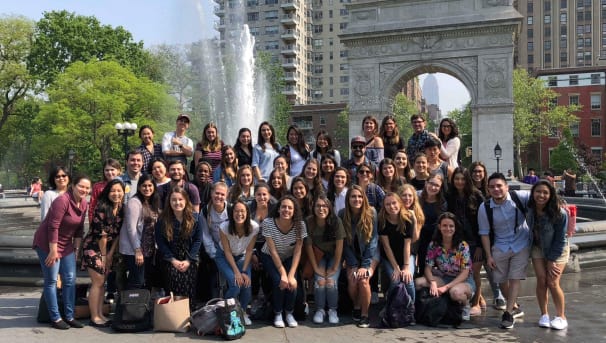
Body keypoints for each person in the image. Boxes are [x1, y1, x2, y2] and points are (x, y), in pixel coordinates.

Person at [32, 175, 91, 330]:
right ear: (73, 186)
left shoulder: (84, 203)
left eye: (87, 187)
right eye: (81, 186)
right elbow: (53, 226)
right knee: (51, 280)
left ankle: (70, 316)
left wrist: (76, 250)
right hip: (47, 243)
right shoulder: (62, 200)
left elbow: (79, 229)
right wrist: (53, 251)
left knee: (70, 279)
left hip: (66, 245)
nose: (84, 190)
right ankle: (55, 317)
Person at [478, 172, 531, 329]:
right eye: (492, 187)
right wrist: (488, 256)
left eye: (499, 186)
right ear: (488, 190)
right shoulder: (485, 207)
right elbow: (484, 233)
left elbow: (540, 194)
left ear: (506, 187)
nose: (496, 189)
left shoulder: (519, 197)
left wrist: (558, 201)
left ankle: (507, 314)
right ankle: (514, 306)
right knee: (500, 280)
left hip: (521, 243)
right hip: (500, 245)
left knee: (515, 278)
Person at [414, 212, 475, 320]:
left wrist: (446, 287)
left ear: (455, 228)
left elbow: (465, 272)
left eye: (451, 226)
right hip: (444, 277)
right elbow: (428, 267)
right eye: (445, 225)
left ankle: (465, 305)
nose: (448, 229)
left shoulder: (463, 246)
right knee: (418, 283)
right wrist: (432, 282)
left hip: (462, 280)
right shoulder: (434, 245)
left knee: (455, 293)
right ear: (439, 227)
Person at [81, 179, 125, 327]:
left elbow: (117, 235)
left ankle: (100, 314)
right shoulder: (102, 208)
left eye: (119, 191)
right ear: (107, 193)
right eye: (113, 191)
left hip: (107, 248)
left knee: (102, 283)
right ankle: (94, 316)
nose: (116, 194)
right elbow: (102, 235)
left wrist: (111, 254)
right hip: (94, 247)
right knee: (98, 282)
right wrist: (104, 257)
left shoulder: (121, 208)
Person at [527, 180, 570, 330]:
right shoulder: (529, 208)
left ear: (551, 195)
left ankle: (561, 316)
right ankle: (544, 314)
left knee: (552, 282)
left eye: (545, 192)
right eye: (538, 191)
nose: (541, 195)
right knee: (541, 280)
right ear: (532, 193)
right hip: (538, 247)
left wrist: (552, 260)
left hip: (558, 249)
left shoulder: (559, 213)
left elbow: (561, 239)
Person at [260, 195, 308, 328]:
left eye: (290, 208)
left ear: (294, 211)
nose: (286, 210)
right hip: (269, 255)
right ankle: (278, 313)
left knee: (292, 282)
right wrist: (283, 273)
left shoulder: (300, 225)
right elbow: (273, 250)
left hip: (289, 256)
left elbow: (298, 250)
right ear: (278, 209)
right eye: (283, 207)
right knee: (279, 281)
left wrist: (291, 274)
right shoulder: (268, 223)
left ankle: (289, 313)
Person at [155, 187, 203, 308]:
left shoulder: (196, 217)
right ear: (169, 202)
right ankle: (174, 315)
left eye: (180, 199)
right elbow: (161, 243)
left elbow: (198, 240)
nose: (177, 203)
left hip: (189, 258)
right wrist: (173, 260)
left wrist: (188, 260)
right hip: (170, 258)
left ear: (186, 200)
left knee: (189, 286)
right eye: (174, 200)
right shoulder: (162, 220)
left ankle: (189, 313)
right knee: (173, 285)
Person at [340, 185, 379, 328]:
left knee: (363, 280)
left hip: (371, 254)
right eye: (353, 196)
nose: (357, 199)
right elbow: (344, 243)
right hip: (352, 255)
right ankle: (356, 305)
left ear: (364, 198)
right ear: (348, 199)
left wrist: (365, 265)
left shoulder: (371, 212)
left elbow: (374, 241)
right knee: (352, 279)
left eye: (359, 196)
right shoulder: (342, 214)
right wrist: (354, 264)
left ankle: (365, 314)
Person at [447, 167, 484, 316]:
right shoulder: (450, 195)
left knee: (474, 272)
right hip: (457, 241)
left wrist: (481, 245)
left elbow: (484, 223)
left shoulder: (477, 196)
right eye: (457, 179)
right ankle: (472, 299)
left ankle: (475, 304)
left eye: (463, 179)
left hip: (474, 241)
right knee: (461, 272)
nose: (460, 182)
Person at [215, 199, 259, 326]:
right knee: (235, 284)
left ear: (247, 213)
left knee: (246, 284)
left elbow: (250, 250)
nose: (239, 214)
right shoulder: (224, 227)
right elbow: (227, 252)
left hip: (242, 256)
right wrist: (237, 272)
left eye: (242, 211)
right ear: (231, 213)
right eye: (236, 211)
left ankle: (243, 312)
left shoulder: (254, 227)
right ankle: (225, 310)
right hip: (223, 256)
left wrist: (244, 271)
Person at [305, 195, 345, 325]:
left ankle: (333, 310)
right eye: (318, 206)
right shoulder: (309, 222)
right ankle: (320, 310)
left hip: (334, 256)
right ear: (313, 207)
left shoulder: (336, 221)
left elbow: (340, 246)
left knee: (331, 281)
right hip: (318, 256)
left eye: (324, 206)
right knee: (320, 281)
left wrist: (335, 267)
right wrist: (315, 267)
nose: (321, 209)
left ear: (329, 208)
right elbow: (309, 246)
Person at [119, 174, 160, 290]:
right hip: (136, 250)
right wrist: (137, 250)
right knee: (137, 281)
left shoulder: (153, 202)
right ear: (139, 187)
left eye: (150, 186)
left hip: (149, 249)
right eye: (144, 186)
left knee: (145, 281)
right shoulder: (134, 202)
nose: (147, 189)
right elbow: (131, 228)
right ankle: (127, 307)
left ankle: (142, 307)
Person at [379, 193, 417, 301]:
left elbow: (407, 244)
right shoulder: (382, 221)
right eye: (387, 204)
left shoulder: (407, 219)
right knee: (395, 280)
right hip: (390, 257)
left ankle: (411, 309)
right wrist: (396, 267)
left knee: (408, 280)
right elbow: (386, 247)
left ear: (400, 203)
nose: (391, 206)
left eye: (394, 203)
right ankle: (390, 306)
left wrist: (405, 267)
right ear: (384, 207)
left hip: (406, 255)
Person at [201, 182, 230, 298]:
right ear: (211, 193)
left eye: (222, 194)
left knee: (230, 279)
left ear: (226, 195)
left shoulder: (231, 210)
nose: (219, 196)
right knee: (215, 278)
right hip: (214, 249)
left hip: (230, 250)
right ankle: (216, 303)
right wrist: (214, 254)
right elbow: (206, 235)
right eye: (216, 193)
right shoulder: (204, 211)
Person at [417, 173, 447, 276]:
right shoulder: (417, 197)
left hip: (435, 239)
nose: (433, 187)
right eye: (431, 183)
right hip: (417, 238)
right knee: (421, 268)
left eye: (437, 185)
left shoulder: (442, 203)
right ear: (426, 183)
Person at [90, 159, 122, 223]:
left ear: (118, 171)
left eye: (112, 170)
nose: (109, 172)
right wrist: (91, 222)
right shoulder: (98, 187)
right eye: (107, 170)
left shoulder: (123, 185)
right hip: (102, 221)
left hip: (119, 219)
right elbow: (92, 206)